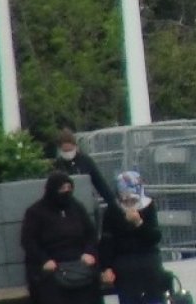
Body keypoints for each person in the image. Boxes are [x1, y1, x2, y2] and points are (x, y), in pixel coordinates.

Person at [20, 172, 103, 304]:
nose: (66, 192)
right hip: (53, 266)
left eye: (69, 188)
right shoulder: (36, 212)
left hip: (80, 263)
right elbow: (28, 241)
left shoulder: (76, 207)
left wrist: (89, 252)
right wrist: (44, 260)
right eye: (62, 188)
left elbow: (90, 233)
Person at [100, 171, 167, 304]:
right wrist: (105, 267)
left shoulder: (148, 207)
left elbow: (154, 238)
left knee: (153, 296)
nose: (129, 203)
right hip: (124, 264)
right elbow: (107, 241)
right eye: (126, 200)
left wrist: (138, 223)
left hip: (148, 261)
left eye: (133, 200)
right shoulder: (113, 211)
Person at [53, 128, 118, 210]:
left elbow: (100, 183)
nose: (67, 153)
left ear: (75, 147)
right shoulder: (58, 165)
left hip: (87, 202)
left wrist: (113, 203)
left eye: (69, 150)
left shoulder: (85, 161)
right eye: (65, 151)